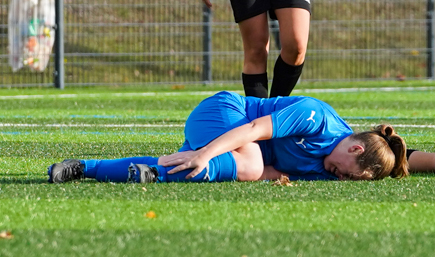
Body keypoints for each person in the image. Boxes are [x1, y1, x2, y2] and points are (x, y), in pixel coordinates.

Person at [48, 91, 408, 184]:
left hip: (232, 149)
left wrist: (208, 161)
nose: (340, 178)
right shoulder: (317, 118)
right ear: (355, 148)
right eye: (349, 173)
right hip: (223, 113)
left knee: (167, 167)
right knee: (249, 162)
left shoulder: (327, 168)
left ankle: (84, 167)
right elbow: (253, 131)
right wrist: (206, 153)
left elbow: (273, 173)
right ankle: (175, 168)